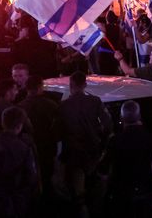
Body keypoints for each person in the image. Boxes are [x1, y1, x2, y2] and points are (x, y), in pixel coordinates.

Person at [101, 101, 152, 218]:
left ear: (122, 118)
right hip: (144, 193)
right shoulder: (149, 137)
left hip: (121, 195)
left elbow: (103, 171)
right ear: (139, 116)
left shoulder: (115, 140)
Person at [57, 71, 113, 218]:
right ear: (85, 85)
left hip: (73, 152)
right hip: (93, 151)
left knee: (75, 191)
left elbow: (58, 129)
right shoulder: (95, 102)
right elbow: (108, 124)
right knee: (95, 187)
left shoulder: (63, 106)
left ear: (71, 85)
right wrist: (102, 142)